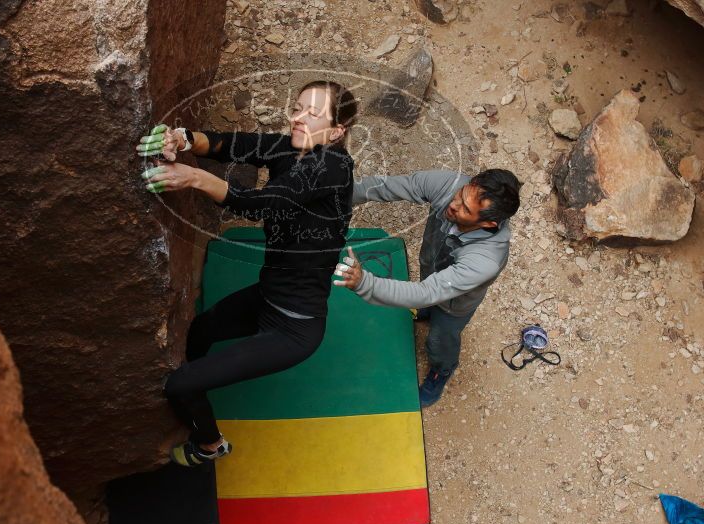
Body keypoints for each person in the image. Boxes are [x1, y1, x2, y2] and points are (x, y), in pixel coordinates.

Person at [135, 81, 358, 466]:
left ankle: (210, 446)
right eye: (297, 107)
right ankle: (199, 388)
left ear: (337, 132)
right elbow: (228, 144)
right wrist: (182, 139)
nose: (297, 117)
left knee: (179, 385)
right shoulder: (290, 145)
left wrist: (193, 177)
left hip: (293, 328)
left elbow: (268, 203)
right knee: (201, 331)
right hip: (266, 295)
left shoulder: (333, 167)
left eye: (312, 113)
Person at [334, 169, 520, 407]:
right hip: (431, 272)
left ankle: (442, 370)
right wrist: (334, 196)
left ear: (487, 223)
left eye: (465, 209)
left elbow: (424, 293)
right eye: (461, 195)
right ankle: (428, 312)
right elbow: (384, 186)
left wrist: (364, 283)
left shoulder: (485, 260)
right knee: (429, 301)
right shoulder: (449, 184)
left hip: (455, 305)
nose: (453, 204)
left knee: (439, 341)